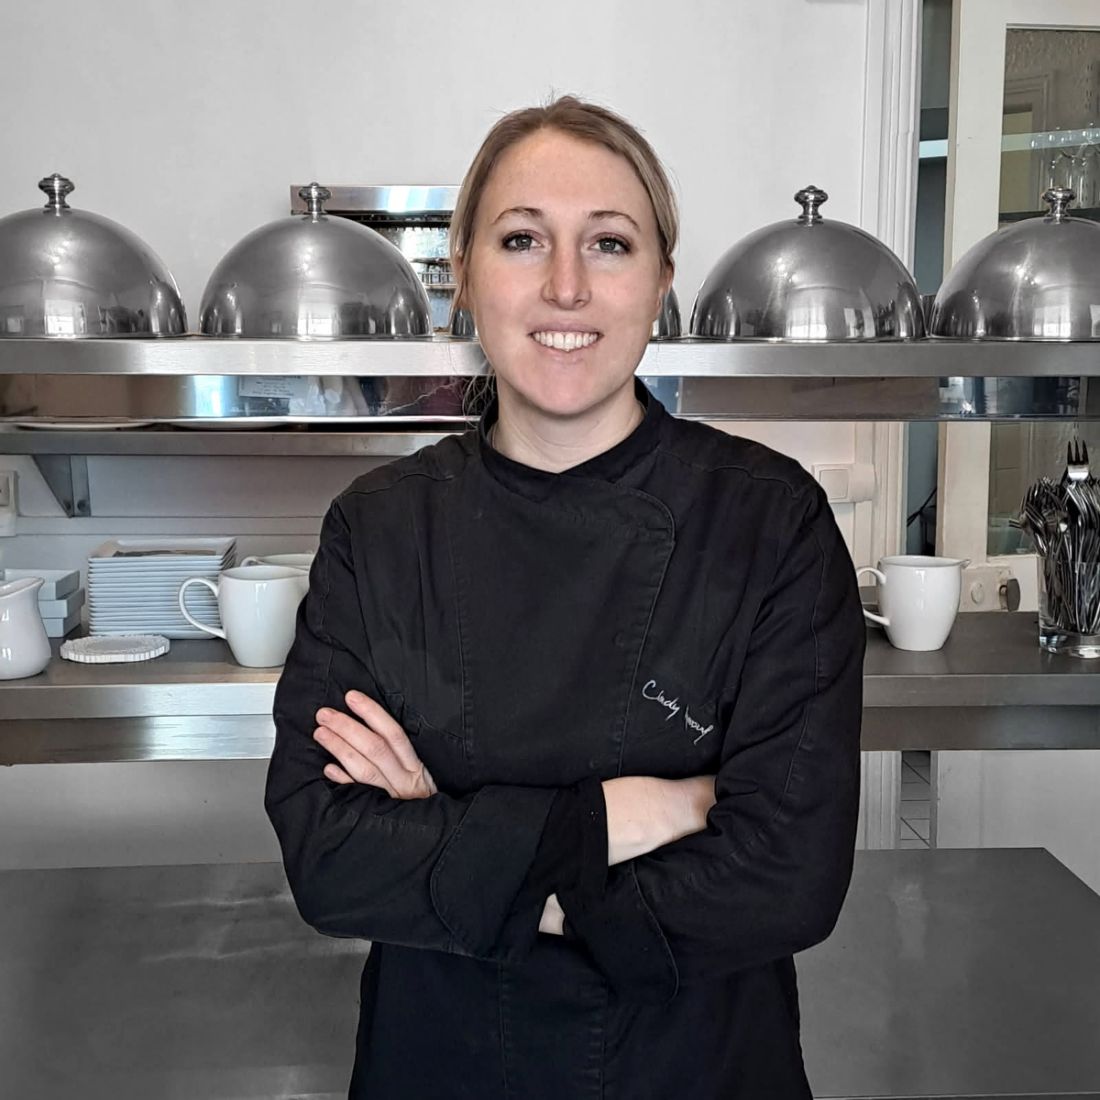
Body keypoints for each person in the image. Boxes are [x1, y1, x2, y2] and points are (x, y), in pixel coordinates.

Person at [265, 95, 865, 1099]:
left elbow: (787, 878)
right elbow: (329, 859)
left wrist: (461, 846)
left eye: (610, 243)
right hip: (439, 1066)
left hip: (698, 1069)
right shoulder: (379, 528)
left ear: (660, 280)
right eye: (521, 239)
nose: (566, 286)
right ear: (464, 273)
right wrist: (639, 812)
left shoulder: (769, 523)